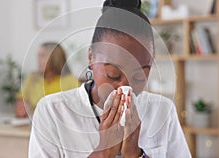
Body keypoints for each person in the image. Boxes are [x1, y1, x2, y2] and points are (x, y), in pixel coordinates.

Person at [29, 0, 191, 157]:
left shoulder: (162, 110)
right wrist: (103, 152)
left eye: (139, 76)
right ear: (91, 57)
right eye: (113, 74)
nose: (126, 86)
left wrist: (136, 155)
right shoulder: (53, 111)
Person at [15, 42, 79, 118]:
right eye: (38, 56)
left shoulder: (71, 81)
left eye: (42, 56)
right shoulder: (32, 77)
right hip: (33, 124)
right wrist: (21, 108)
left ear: (55, 58)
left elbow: (75, 111)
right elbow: (21, 101)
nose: (38, 59)